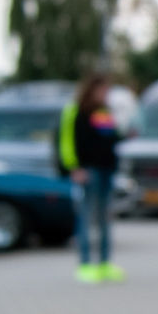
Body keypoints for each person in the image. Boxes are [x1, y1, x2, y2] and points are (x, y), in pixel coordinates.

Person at [57, 72, 126, 283]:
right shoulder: (76, 110)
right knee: (87, 215)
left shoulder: (103, 111)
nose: (106, 94)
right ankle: (85, 264)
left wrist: (124, 134)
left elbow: (109, 138)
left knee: (105, 217)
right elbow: (67, 141)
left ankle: (104, 263)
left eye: (107, 90)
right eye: (103, 90)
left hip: (106, 169)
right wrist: (73, 167)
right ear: (92, 89)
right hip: (88, 170)